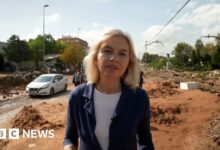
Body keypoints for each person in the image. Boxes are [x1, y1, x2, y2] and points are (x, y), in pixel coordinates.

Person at [64, 29, 154, 150]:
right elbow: (69, 137)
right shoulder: (77, 96)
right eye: (107, 51)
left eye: (122, 53)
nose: (114, 58)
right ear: (96, 57)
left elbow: (146, 142)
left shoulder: (139, 98)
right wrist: (69, 147)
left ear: (129, 61)